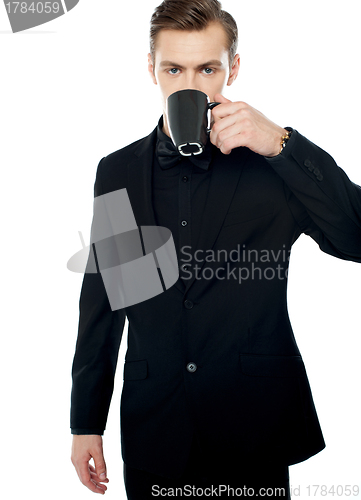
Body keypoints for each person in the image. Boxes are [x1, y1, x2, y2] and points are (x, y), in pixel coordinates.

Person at [70, 0, 361, 498]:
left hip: (256, 426)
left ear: (234, 68)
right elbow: (105, 301)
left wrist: (283, 145)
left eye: (207, 69)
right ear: (151, 69)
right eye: (173, 68)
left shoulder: (273, 165)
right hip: (154, 428)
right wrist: (85, 421)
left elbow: (355, 238)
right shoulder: (117, 170)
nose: (189, 84)